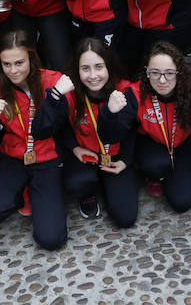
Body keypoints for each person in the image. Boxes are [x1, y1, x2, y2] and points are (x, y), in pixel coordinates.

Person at [0, 30, 68, 250]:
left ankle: (38, 193)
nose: (13, 71)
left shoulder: (55, 82)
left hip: (47, 159)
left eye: (19, 62)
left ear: (32, 58)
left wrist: (54, 100)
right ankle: (23, 192)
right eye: (6, 64)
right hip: (13, 158)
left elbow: (54, 128)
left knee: (51, 240)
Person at [99, 41, 191, 212]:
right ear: (146, 72)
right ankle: (154, 176)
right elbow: (111, 136)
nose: (162, 80)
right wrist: (110, 114)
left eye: (169, 73)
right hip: (152, 144)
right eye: (155, 73)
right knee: (156, 165)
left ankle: (176, 174)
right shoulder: (136, 93)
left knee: (182, 202)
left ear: (179, 72)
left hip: (183, 148)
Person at [31, 38, 138, 226]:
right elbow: (40, 131)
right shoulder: (70, 92)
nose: (93, 75)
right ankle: (88, 193)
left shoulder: (124, 91)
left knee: (125, 218)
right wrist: (73, 147)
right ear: (77, 70)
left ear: (109, 66)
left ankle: (109, 186)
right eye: (85, 68)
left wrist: (126, 160)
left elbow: (130, 131)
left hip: (115, 156)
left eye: (99, 67)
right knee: (77, 182)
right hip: (85, 155)